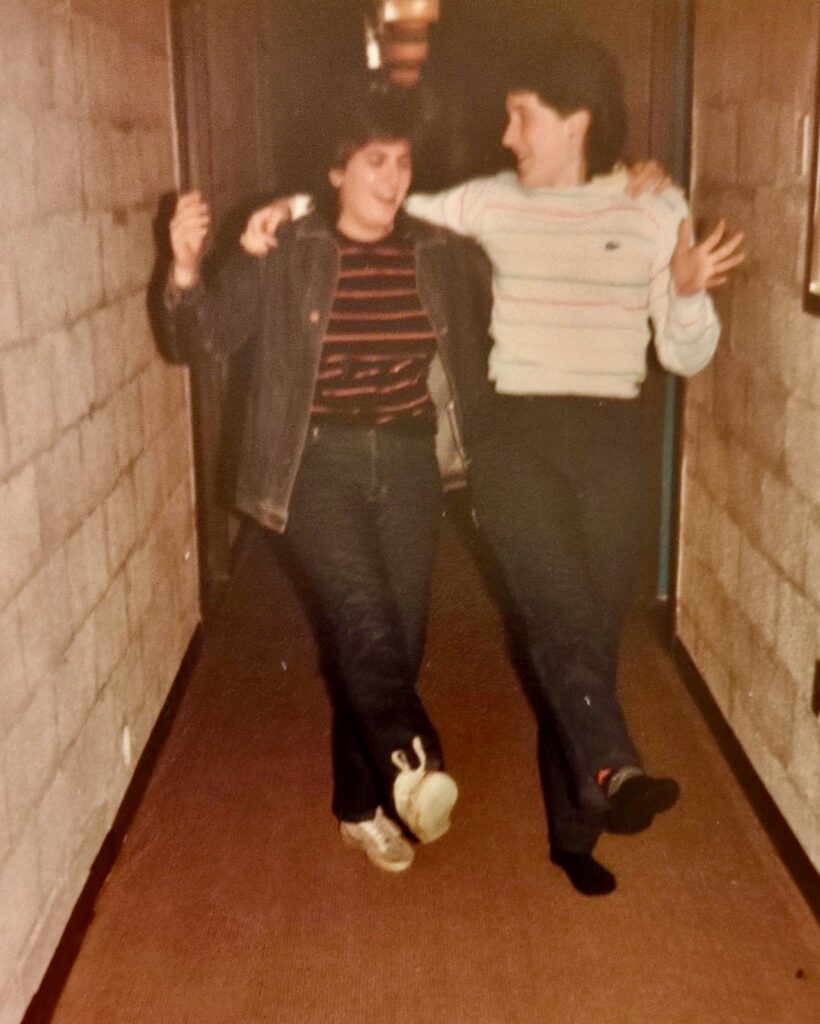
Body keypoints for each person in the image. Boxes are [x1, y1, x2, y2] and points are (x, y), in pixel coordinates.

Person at [239, 31, 744, 896]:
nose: (507, 135)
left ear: (575, 121)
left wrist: (689, 290)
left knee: (582, 632)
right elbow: (369, 199)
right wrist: (282, 208)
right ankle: (582, 773)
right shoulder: (485, 203)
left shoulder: (654, 207)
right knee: (518, 615)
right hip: (510, 439)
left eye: (522, 118)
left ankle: (579, 823)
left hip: (613, 442)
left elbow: (687, 351)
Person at [162, 93, 495, 874]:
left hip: (411, 461)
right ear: (337, 169)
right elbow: (198, 336)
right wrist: (185, 263)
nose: (393, 177)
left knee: (394, 639)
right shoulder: (289, 251)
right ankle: (416, 766)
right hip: (316, 463)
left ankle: (360, 805)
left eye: (404, 160)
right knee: (362, 616)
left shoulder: (439, 255)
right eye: (375, 160)